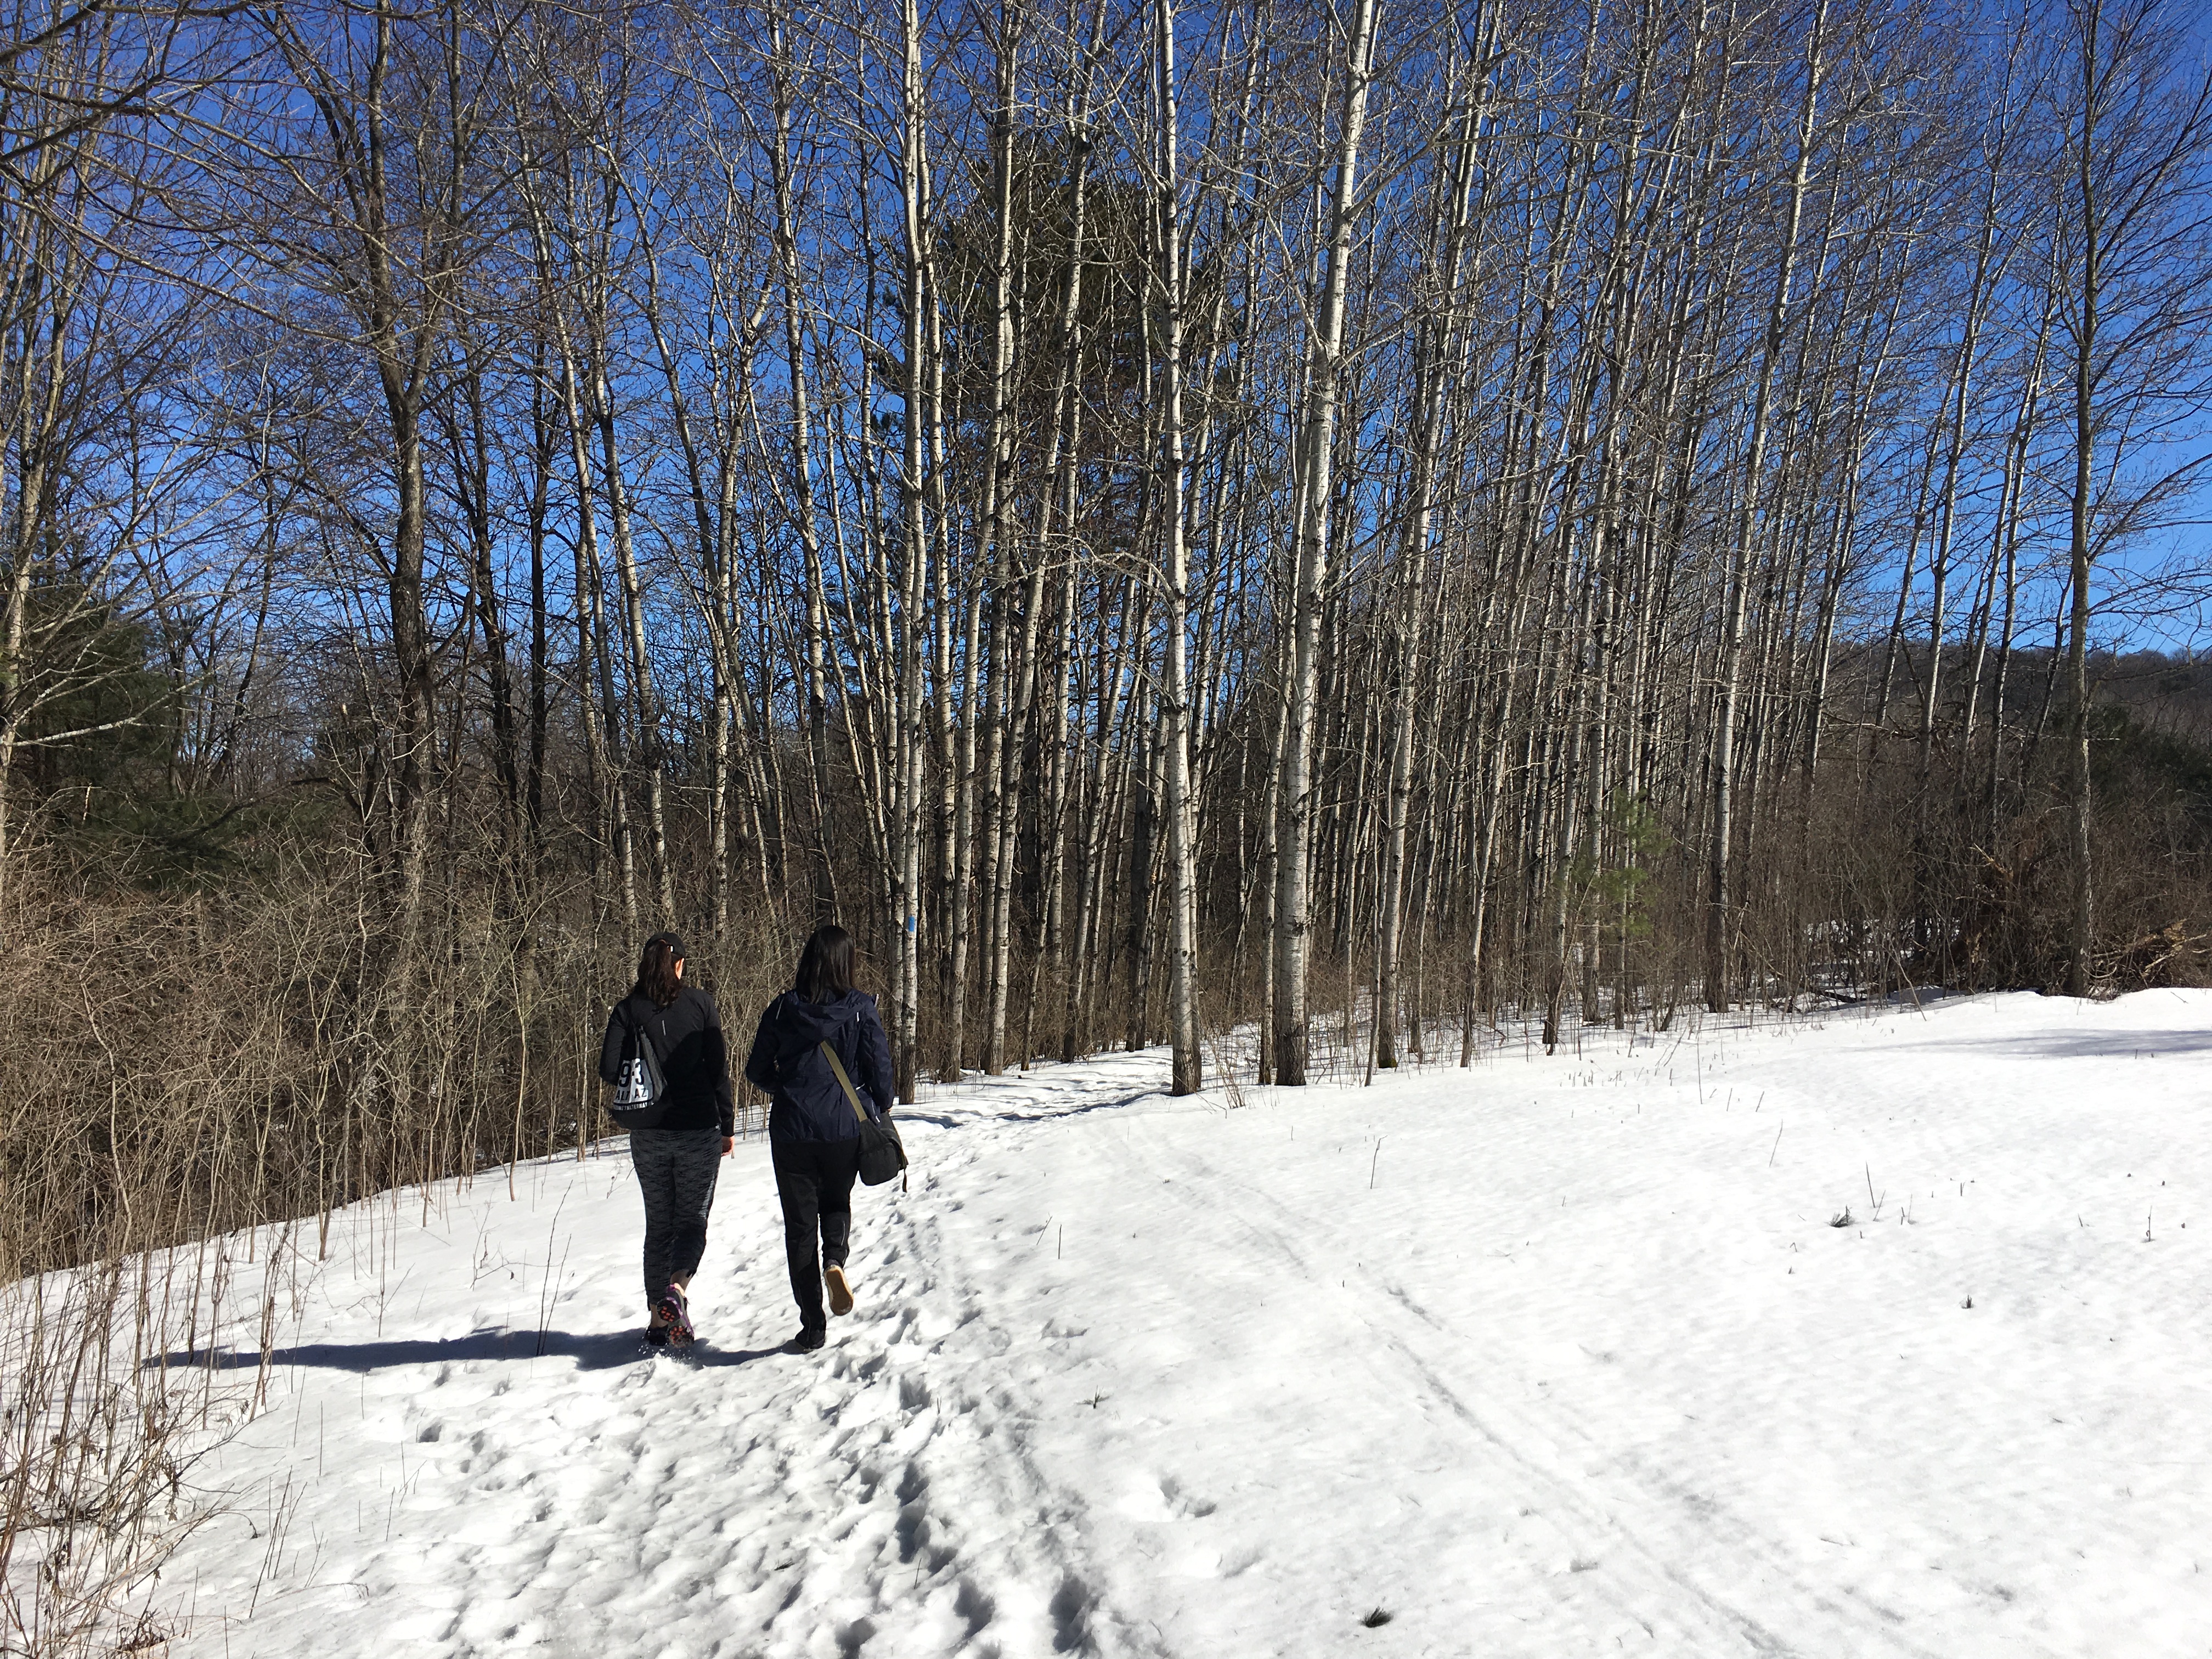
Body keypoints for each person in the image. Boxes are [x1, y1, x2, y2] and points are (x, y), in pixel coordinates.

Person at [744, 923, 895, 1353]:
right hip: (843, 1127)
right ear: (847, 963)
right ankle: (835, 1260)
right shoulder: (862, 1008)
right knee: (835, 1200)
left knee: (798, 1227)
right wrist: (880, 1103)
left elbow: (755, 1070)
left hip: (792, 1130)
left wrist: (786, 1087)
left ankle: (813, 1325)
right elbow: (880, 1068)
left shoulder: (780, 1010)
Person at [597, 932, 733, 1349]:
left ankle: (659, 1321)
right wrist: (726, 1126)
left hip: (648, 1133)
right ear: (678, 964)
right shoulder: (700, 1004)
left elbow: (607, 1069)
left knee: (658, 1225)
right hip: (697, 1132)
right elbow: (718, 1070)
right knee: (692, 1221)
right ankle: (678, 1289)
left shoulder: (627, 1010)